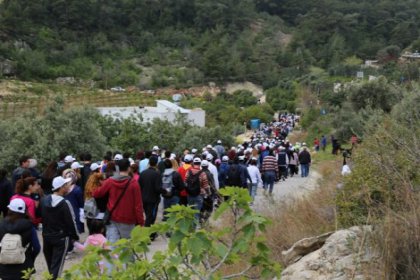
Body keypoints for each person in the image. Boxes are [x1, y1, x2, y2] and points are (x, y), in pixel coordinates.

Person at [93, 159, 144, 244]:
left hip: (113, 217)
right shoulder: (134, 184)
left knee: (113, 246)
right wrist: (140, 222)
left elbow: (97, 194)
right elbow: (138, 205)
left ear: (117, 168)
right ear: (129, 168)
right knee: (128, 247)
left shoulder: (110, 181)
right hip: (129, 220)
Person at [40, 176, 79, 280]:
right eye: (66, 185)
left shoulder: (44, 200)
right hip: (61, 238)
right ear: (62, 187)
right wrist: (75, 236)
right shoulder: (65, 203)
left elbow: (40, 216)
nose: (68, 187)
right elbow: (71, 221)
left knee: (51, 267)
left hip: (47, 236)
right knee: (57, 267)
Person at [0, 199, 41, 280]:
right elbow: (37, 248)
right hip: (24, 265)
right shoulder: (29, 225)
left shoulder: (2, 224)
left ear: (9, 209)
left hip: (4, 266)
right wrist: (30, 259)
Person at [139, 156, 162, 240]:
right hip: (153, 199)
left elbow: (139, 186)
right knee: (151, 217)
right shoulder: (157, 174)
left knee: (148, 216)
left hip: (143, 198)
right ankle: (148, 235)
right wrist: (164, 191)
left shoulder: (143, 173)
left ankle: (150, 233)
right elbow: (157, 188)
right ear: (156, 163)